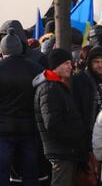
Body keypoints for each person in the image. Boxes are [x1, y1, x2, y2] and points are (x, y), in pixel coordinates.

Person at [0, 34, 43, 186]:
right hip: (29, 128)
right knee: (30, 175)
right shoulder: (36, 69)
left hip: (0, 129)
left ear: (3, 49)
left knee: (0, 177)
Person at [33, 48, 87, 186]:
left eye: (71, 63)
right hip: (61, 151)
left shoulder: (56, 85)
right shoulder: (49, 88)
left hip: (64, 149)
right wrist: (74, 139)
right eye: (67, 63)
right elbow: (52, 124)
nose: (71, 66)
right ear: (56, 65)